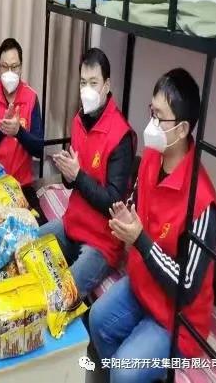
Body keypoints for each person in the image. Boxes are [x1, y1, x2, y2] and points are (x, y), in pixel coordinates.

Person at [89, 69, 216, 383]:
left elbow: (185, 289)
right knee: (97, 319)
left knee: (124, 371)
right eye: (151, 111)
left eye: (159, 117)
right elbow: (138, 206)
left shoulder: (202, 203)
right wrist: (127, 216)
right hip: (143, 285)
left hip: (177, 318)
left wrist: (141, 240)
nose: (150, 124)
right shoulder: (151, 157)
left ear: (182, 128)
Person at [39, 48, 135, 297]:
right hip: (72, 224)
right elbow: (71, 183)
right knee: (27, 247)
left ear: (107, 86)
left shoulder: (121, 136)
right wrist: (67, 172)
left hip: (101, 242)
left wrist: (78, 175)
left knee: (63, 294)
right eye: (83, 83)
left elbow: (113, 202)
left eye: (94, 83)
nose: (87, 90)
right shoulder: (78, 120)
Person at [0, 38, 44, 215]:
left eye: (14, 67)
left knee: (39, 227)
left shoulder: (31, 98)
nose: (10, 72)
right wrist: (1, 131)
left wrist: (18, 132)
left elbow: (39, 149)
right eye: (5, 67)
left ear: (21, 67)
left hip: (23, 186)